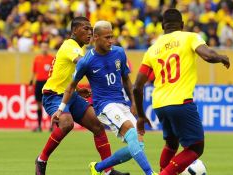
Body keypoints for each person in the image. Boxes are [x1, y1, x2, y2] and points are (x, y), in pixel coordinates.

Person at [133, 8, 230, 175]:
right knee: (196, 147)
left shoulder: (152, 49)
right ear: (182, 25)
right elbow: (207, 55)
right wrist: (221, 57)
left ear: (163, 26)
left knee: (171, 143)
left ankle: (162, 171)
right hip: (180, 102)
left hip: (159, 104)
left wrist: (141, 116)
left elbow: (136, 86)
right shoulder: (190, 37)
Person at [53, 21, 157, 175]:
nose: (111, 41)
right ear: (96, 37)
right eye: (107, 37)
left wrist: (133, 102)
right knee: (129, 129)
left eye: (112, 37)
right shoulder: (86, 61)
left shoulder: (119, 53)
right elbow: (71, 86)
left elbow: (126, 80)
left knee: (137, 145)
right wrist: (60, 109)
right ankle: (150, 173)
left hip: (121, 103)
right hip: (104, 106)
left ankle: (98, 168)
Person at [35, 17, 128, 175]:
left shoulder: (77, 47)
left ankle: (107, 170)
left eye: (91, 29)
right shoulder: (69, 46)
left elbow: (65, 74)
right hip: (53, 95)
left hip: (69, 94)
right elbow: (82, 62)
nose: (89, 32)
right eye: (85, 29)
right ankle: (41, 159)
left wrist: (77, 89)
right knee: (66, 123)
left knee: (98, 126)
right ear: (74, 31)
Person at [29, 42, 54, 132]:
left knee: (50, 104)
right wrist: (31, 84)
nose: (44, 48)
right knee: (38, 104)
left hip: (48, 83)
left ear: (48, 48)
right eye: (43, 47)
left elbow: (54, 72)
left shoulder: (52, 58)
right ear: (41, 48)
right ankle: (39, 126)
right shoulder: (37, 58)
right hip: (39, 83)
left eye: (46, 47)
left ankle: (51, 126)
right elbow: (34, 72)